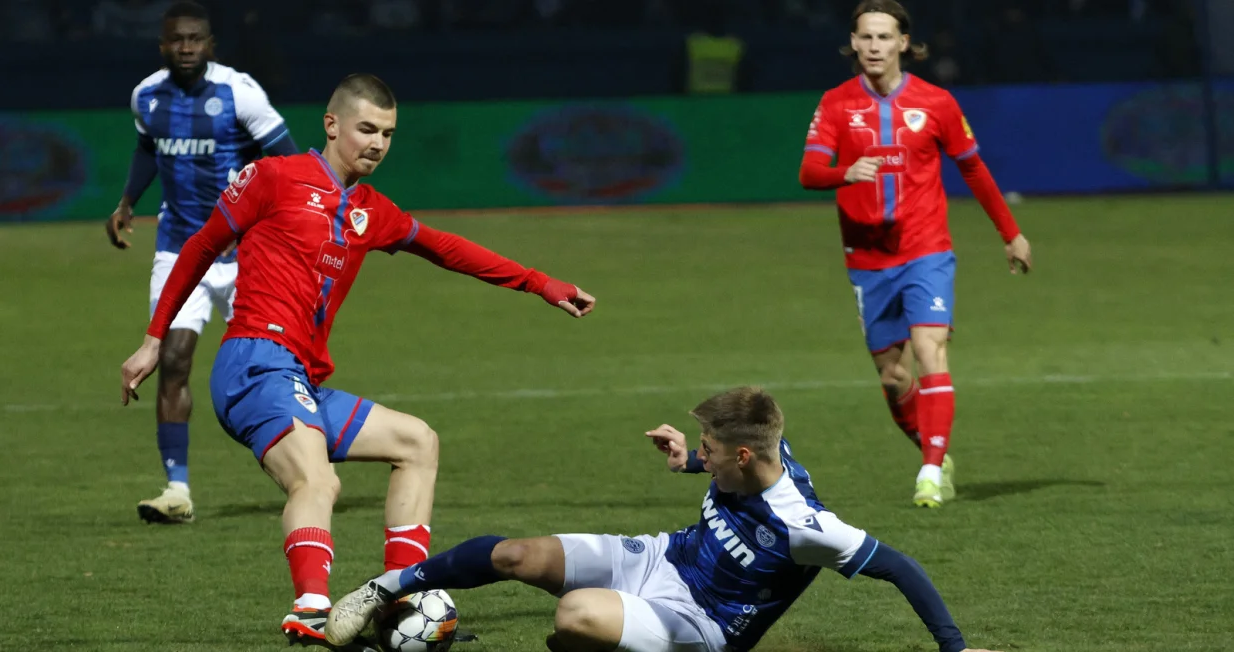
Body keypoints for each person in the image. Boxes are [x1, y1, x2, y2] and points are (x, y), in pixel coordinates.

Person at [118, 72, 596, 645]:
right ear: (331, 124)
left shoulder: (372, 209)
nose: (377, 143)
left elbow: (446, 248)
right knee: (317, 482)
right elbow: (198, 246)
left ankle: (400, 596)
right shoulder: (273, 177)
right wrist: (153, 338)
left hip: (300, 378)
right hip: (254, 361)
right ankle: (311, 610)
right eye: (366, 129)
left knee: (417, 442)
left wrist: (540, 283)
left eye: (388, 134)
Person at [326, 386, 1001, 652]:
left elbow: (900, 566)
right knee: (515, 555)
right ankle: (384, 590)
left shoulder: (806, 524)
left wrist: (954, 646)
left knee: (576, 617)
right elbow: (721, 476)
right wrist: (686, 463)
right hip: (661, 558)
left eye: (704, 446)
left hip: (703, 623)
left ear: (742, 454)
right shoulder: (760, 454)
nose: (697, 450)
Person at [798, 0, 1033, 507]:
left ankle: (929, 472)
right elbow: (810, 171)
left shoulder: (937, 102)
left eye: (884, 37)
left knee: (931, 351)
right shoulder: (837, 103)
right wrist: (846, 171)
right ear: (854, 43)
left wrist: (1010, 232)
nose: (874, 47)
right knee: (893, 376)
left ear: (904, 43)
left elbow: (973, 169)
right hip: (866, 257)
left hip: (927, 248)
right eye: (866, 37)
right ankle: (935, 452)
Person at [105, 0, 299, 524]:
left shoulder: (239, 92)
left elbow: (286, 156)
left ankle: (305, 472)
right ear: (162, 45)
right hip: (180, 249)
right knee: (172, 359)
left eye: (195, 39)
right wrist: (128, 201)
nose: (186, 47)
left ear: (210, 44)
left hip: (246, 255)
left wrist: (279, 223)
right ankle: (177, 490)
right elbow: (149, 149)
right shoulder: (146, 96)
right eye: (176, 40)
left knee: (275, 364)